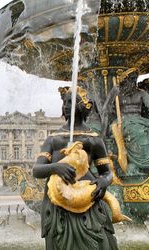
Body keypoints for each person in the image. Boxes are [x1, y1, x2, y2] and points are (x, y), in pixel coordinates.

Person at [33, 86, 118, 250]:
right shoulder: (53, 139)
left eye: (71, 101)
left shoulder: (94, 140)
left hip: (89, 198)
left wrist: (103, 182)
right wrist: (56, 167)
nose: (66, 105)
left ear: (83, 106)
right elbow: (37, 170)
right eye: (65, 102)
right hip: (59, 202)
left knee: (101, 243)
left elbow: (107, 173)